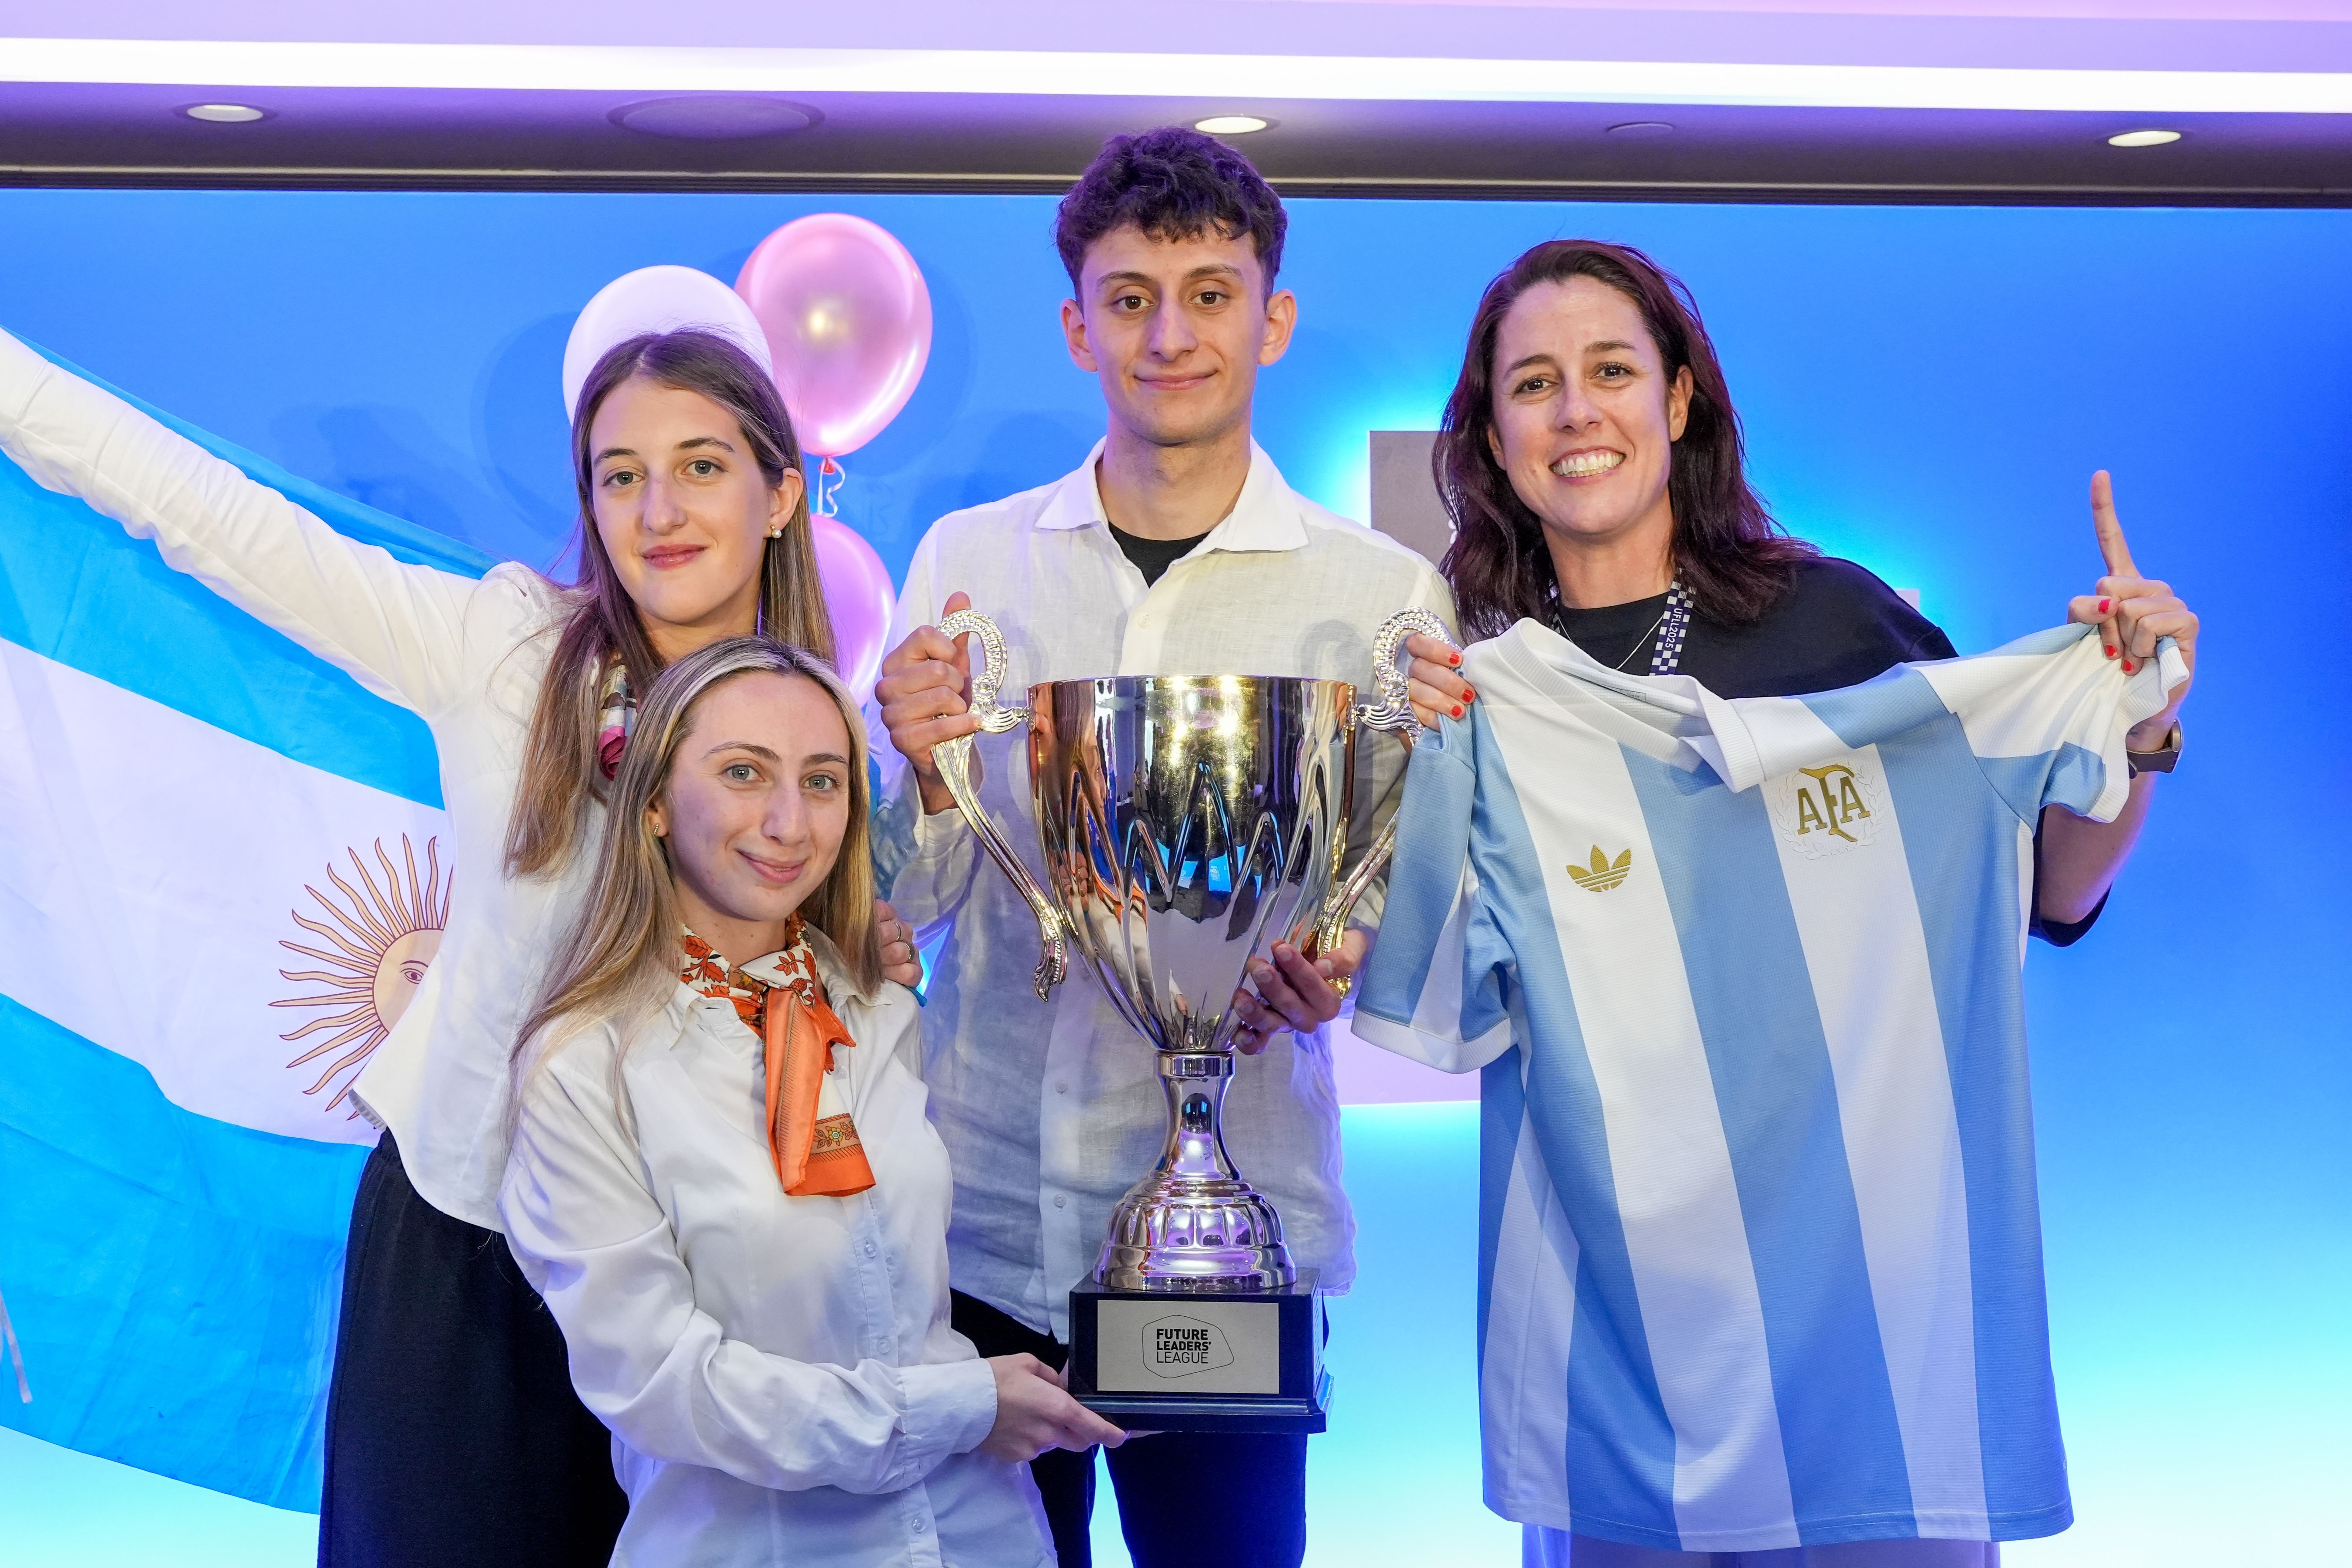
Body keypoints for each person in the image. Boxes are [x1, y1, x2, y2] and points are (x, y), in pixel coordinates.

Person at [0, 325, 923, 1565]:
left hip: (720, 1285)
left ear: (782, 493)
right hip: (470, 1253)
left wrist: (910, 813)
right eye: (618, 473)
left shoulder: (837, 738)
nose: (659, 508)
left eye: (702, 465)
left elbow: (873, 968)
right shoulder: (504, 646)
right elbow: (208, 514)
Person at [1342, 238, 2199, 1568]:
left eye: (1612, 370)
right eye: (1535, 384)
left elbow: (2051, 886)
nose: (1577, 411)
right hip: (1613, 1383)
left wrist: (2136, 720)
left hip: (1872, 1382)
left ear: (1678, 400)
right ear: (1491, 434)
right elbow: (1422, 991)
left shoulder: (1837, 625)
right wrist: (1406, 762)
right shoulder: (1473, 686)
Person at [870, 128, 1455, 1568]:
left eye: (1209, 291)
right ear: (1079, 327)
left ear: (1275, 317)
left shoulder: (1375, 594)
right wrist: (907, 759)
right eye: (1131, 297)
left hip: (1244, 1226)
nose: (1170, 333)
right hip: (988, 1221)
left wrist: (1342, 958)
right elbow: (911, 902)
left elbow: (1399, 893)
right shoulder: (969, 562)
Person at [501, 635, 1122, 1566]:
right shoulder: (581, 1064)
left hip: (980, 1535)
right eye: (745, 772)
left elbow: (909, 1311)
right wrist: (957, 1406)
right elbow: (668, 1385)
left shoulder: (872, 1005)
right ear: (657, 801)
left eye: (823, 780)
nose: (790, 822)